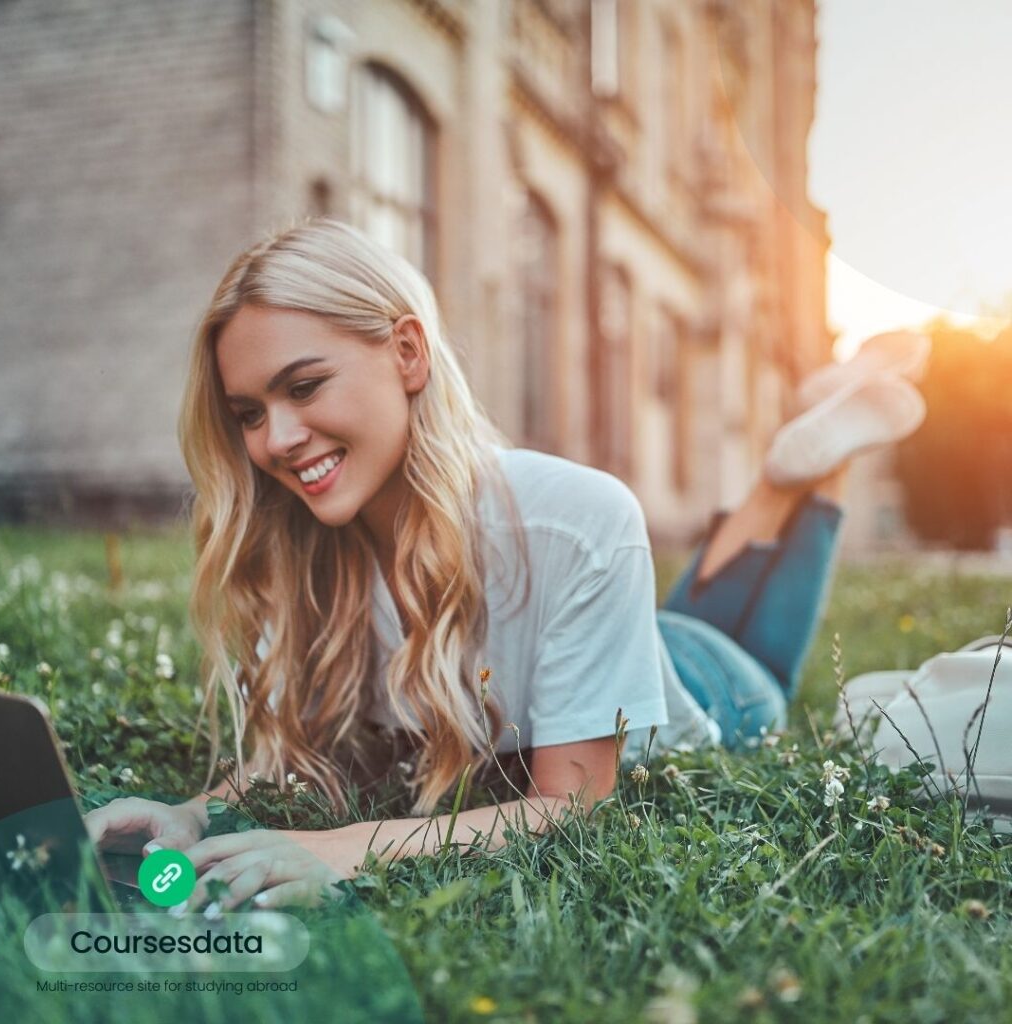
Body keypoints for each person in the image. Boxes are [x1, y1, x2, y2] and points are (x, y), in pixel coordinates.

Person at [85, 220, 929, 911]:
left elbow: (573, 802)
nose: (275, 440)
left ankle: (817, 468)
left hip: (705, 687)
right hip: (605, 639)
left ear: (409, 353)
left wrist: (337, 850)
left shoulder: (576, 518)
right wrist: (191, 815)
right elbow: (288, 754)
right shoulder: (294, 541)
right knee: (687, 607)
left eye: (304, 388)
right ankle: (791, 466)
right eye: (248, 413)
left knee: (762, 670)